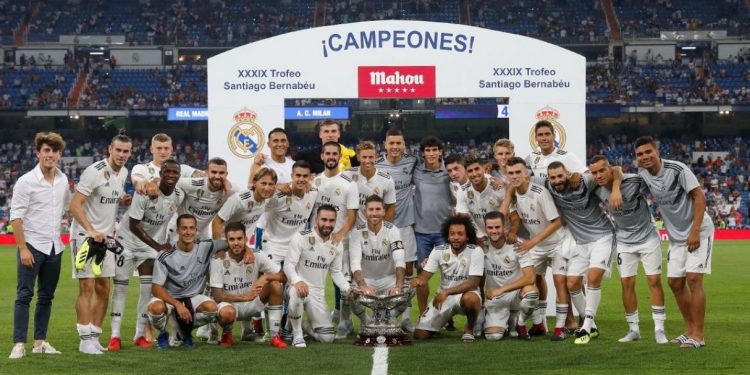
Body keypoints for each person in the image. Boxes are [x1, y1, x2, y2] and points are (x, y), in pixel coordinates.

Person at [635, 136, 714, 349]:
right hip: (676, 236)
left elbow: (699, 197)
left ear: (657, 152)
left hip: (699, 231)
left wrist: (695, 231)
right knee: (674, 283)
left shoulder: (677, 169)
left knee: (694, 279)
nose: (645, 157)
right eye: (640, 154)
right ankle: (688, 330)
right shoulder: (643, 175)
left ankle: (698, 335)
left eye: (648, 152)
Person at [589, 155, 668, 344]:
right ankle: (634, 330)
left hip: (648, 237)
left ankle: (659, 329)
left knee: (654, 281)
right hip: (624, 241)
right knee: (627, 284)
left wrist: (616, 187)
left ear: (610, 169)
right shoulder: (596, 189)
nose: (599, 175)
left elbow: (621, 172)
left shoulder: (634, 181)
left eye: (602, 170)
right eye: (594, 172)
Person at [69, 132, 132, 354]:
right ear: (110, 149)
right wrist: (91, 230)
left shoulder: (123, 172)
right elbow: (74, 205)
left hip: (106, 239)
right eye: (119, 150)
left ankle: (94, 336)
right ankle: (84, 339)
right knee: (86, 286)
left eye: (126, 151)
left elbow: (109, 198)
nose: (122, 155)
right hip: (85, 237)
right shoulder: (94, 172)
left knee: (104, 286)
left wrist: (123, 199)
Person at [108, 160, 182, 351]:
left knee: (147, 289)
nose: (172, 175)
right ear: (161, 173)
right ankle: (115, 336)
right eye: (168, 171)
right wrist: (158, 246)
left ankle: (139, 335)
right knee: (121, 288)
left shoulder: (179, 195)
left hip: (148, 248)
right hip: (126, 242)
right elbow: (134, 225)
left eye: (176, 172)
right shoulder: (144, 192)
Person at [9, 132, 70, 359]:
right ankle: (18, 344)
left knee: (46, 297)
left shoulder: (63, 180)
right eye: (46, 150)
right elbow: (16, 218)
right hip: (32, 246)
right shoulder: (25, 181)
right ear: (38, 153)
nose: (50, 155)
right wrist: (23, 248)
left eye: (54, 151)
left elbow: (69, 207)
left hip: (55, 247)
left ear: (59, 155)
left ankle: (40, 342)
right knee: (24, 295)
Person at [544, 161, 617, 344]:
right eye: (553, 177)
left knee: (593, 278)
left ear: (567, 173)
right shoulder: (547, 186)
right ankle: (591, 326)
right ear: (548, 178)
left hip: (602, 236)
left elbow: (615, 170)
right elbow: (520, 181)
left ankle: (586, 327)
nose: (557, 180)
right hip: (581, 242)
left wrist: (615, 190)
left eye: (560, 176)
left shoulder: (584, 181)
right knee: (572, 282)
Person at [502, 157, 573, 341]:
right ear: (506, 175)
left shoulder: (539, 192)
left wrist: (532, 243)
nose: (515, 176)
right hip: (537, 245)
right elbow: (513, 216)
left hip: (557, 244)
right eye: (511, 173)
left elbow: (557, 222)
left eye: (518, 172)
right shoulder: (513, 194)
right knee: (531, 281)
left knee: (559, 282)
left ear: (526, 173)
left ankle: (559, 328)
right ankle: (539, 322)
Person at [147, 214, 226, 350]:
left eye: (191, 228)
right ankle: (162, 333)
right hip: (170, 299)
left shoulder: (205, 246)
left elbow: (232, 243)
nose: (188, 232)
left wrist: (248, 250)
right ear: (178, 230)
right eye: (184, 228)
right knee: (156, 309)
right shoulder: (165, 254)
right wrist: (177, 304)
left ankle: (183, 332)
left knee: (212, 309)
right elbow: (156, 288)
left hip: (193, 297)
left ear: (196, 231)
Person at [209, 222, 287, 348]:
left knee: (275, 285)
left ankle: (275, 336)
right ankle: (227, 334)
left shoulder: (257, 255)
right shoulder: (219, 259)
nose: (236, 243)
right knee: (226, 312)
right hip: (231, 306)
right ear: (226, 242)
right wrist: (244, 297)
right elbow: (217, 296)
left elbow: (283, 276)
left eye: (239, 238)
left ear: (245, 239)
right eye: (232, 239)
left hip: (252, 303)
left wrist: (266, 277)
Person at [283, 205, 352, 348]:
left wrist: (348, 288)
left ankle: (300, 323)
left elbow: (336, 272)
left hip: (318, 294)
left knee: (327, 338)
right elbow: (288, 265)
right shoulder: (302, 237)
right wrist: (297, 281)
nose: (327, 224)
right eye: (324, 219)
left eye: (331, 220)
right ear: (316, 219)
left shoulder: (337, 244)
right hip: (297, 287)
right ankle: (297, 335)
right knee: (297, 293)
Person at [311, 142, 359, 337]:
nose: (331, 157)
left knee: (343, 282)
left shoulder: (349, 184)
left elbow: (352, 215)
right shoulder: (314, 182)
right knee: (315, 282)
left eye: (334, 154)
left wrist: (340, 234)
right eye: (327, 153)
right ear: (322, 156)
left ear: (340, 157)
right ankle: (314, 319)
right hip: (317, 243)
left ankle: (344, 322)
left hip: (342, 242)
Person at [410, 215, 484, 342]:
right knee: (420, 335)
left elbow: (473, 283)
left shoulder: (476, 251)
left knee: (470, 299)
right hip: (443, 299)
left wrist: (446, 292)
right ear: (448, 236)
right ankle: (440, 321)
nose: (455, 237)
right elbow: (425, 276)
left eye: (460, 234)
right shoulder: (438, 251)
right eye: (452, 234)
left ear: (467, 236)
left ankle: (469, 328)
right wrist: (418, 280)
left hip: (465, 295)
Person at [375, 129, 417, 330]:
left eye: (398, 143)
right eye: (391, 143)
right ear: (385, 144)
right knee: (385, 269)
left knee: (407, 270)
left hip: (406, 225)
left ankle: (406, 316)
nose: (395, 147)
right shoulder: (376, 166)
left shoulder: (412, 162)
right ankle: (382, 313)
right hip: (384, 227)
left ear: (404, 144)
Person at [411, 136, 451, 325]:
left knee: (450, 273)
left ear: (440, 152)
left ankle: (449, 314)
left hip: (446, 233)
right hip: (422, 232)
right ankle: (423, 315)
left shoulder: (449, 170)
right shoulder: (416, 170)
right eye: (428, 150)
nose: (432, 153)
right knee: (422, 275)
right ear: (423, 153)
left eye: (435, 150)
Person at [349, 195, 406, 324]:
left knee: (405, 292)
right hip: (367, 279)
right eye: (371, 209)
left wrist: (398, 285)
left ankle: (389, 318)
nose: (374, 213)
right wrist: (363, 286)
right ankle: (366, 321)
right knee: (352, 293)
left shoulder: (393, 230)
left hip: (388, 279)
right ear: (365, 212)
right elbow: (355, 262)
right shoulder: (356, 232)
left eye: (378, 209)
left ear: (384, 211)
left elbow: (399, 259)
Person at [482, 211, 538, 341]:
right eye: (490, 228)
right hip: (495, 298)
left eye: (497, 227)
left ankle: (520, 323)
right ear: (485, 229)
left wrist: (501, 289)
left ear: (504, 227)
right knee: (493, 337)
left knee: (531, 292)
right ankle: (504, 322)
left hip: (515, 295)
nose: (494, 231)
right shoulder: (481, 246)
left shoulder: (517, 244)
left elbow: (530, 277)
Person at [262, 160, 318, 264]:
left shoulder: (313, 192)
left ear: (310, 177)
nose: (301, 179)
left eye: (305, 176)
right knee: (273, 280)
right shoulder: (279, 196)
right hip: (274, 247)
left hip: (295, 248)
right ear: (292, 176)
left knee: (296, 280)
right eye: (298, 175)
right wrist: (275, 186)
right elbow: (258, 201)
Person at [455, 155, 519, 242]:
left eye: (477, 169)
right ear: (466, 173)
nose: (474, 174)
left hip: (504, 236)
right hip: (482, 239)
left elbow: (515, 217)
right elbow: (463, 221)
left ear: (483, 168)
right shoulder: (462, 191)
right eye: (470, 171)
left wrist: (512, 233)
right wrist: (474, 239)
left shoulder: (498, 186)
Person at [212, 168, 277, 241]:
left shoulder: (269, 199)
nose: (266, 188)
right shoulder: (239, 199)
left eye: (270, 184)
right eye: (263, 183)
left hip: (243, 245)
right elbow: (216, 221)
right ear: (255, 183)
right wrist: (218, 249)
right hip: (225, 244)